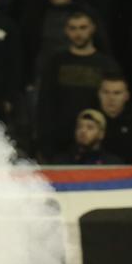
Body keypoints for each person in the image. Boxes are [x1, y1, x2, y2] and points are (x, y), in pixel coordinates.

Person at [34, 10, 118, 157]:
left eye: (82, 27)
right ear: (66, 30)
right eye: (73, 28)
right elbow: (45, 102)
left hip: (96, 141)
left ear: (92, 28)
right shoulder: (55, 62)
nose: (78, 33)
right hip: (59, 140)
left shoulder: (106, 64)